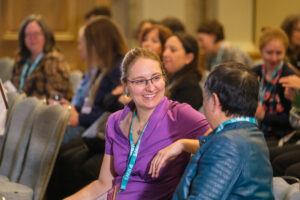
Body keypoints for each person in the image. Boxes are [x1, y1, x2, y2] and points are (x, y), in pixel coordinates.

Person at [65, 48, 210, 200]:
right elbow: (103, 184)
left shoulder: (179, 115)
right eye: (140, 81)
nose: (150, 87)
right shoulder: (115, 121)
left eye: (156, 77)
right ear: (126, 86)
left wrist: (182, 145)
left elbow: (222, 139)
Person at [46, 17, 128, 200]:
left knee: (64, 157)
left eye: (84, 43)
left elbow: (113, 110)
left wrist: (80, 118)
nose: (80, 48)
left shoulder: (118, 68)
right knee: (61, 154)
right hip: (94, 126)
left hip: (107, 133)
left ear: (97, 44)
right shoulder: (102, 68)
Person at [167, 62, 273, 199]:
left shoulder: (227, 144)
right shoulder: (251, 133)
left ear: (215, 101)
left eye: (205, 100)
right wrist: (183, 144)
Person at [10, 14, 73, 100]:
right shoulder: (21, 59)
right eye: (28, 34)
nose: (32, 38)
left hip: (41, 110)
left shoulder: (53, 60)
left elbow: (57, 96)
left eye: (36, 34)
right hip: (20, 107)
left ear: (45, 36)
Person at [253, 28, 296, 142]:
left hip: (280, 136)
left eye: (279, 53)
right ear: (261, 51)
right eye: (269, 53)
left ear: (285, 51)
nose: (274, 58)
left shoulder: (290, 78)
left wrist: (264, 116)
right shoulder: (254, 73)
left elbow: (293, 121)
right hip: (256, 131)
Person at [163, 32, 203, 110]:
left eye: (173, 50)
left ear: (189, 58)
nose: (165, 54)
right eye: (165, 49)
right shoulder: (173, 78)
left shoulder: (189, 88)